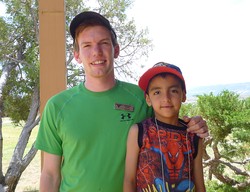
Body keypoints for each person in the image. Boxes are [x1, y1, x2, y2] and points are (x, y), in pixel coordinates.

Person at [35, 11, 208, 192]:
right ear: (77, 55)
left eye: (104, 43)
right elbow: (50, 174)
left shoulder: (141, 99)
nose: (96, 52)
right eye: (87, 45)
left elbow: (169, 123)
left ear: (115, 50)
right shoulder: (57, 106)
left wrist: (194, 124)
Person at [123, 62, 206, 192]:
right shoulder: (139, 132)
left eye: (173, 91)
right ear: (148, 99)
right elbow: (129, 180)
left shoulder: (193, 135)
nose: (166, 98)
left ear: (183, 95)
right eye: (157, 92)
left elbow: (200, 185)